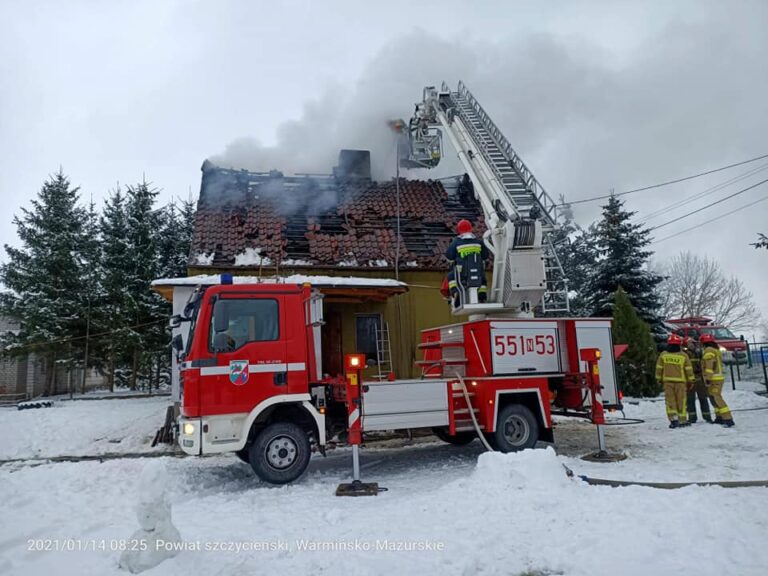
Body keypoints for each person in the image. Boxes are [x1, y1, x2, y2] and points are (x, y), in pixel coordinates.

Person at [444, 219, 488, 308]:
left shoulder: (456, 242)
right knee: (483, 280)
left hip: (462, 273)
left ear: (459, 231)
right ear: (471, 229)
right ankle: (482, 296)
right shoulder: (479, 242)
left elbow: (449, 256)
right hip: (478, 273)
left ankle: (455, 291)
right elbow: (485, 256)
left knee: (451, 276)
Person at [656, 333, 694, 429]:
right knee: (681, 401)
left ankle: (673, 420)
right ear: (679, 344)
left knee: (670, 402)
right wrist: (691, 381)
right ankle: (683, 420)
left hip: (667, 382)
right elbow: (689, 369)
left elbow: (659, 368)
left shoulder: (663, 355)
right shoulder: (683, 355)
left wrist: (658, 379)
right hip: (680, 383)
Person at [700, 333, 735, 427]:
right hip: (717, 378)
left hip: (713, 379)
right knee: (714, 398)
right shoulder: (716, 350)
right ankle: (719, 417)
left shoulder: (708, 350)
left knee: (717, 398)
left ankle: (728, 419)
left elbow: (709, 366)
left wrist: (707, 378)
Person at [683, 337, 712, 423]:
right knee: (690, 400)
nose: (693, 345)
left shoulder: (699, 353)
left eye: (693, 343)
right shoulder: (685, 354)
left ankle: (707, 417)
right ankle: (692, 418)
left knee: (703, 398)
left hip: (699, 379)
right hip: (690, 380)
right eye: (691, 343)